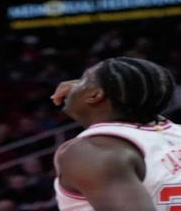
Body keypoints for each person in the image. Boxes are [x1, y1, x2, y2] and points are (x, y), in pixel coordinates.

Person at [51, 56, 180, 211]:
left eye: (84, 79)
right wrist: (88, 88)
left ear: (95, 96)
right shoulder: (173, 133)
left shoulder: (90, 152)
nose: (72, 85)